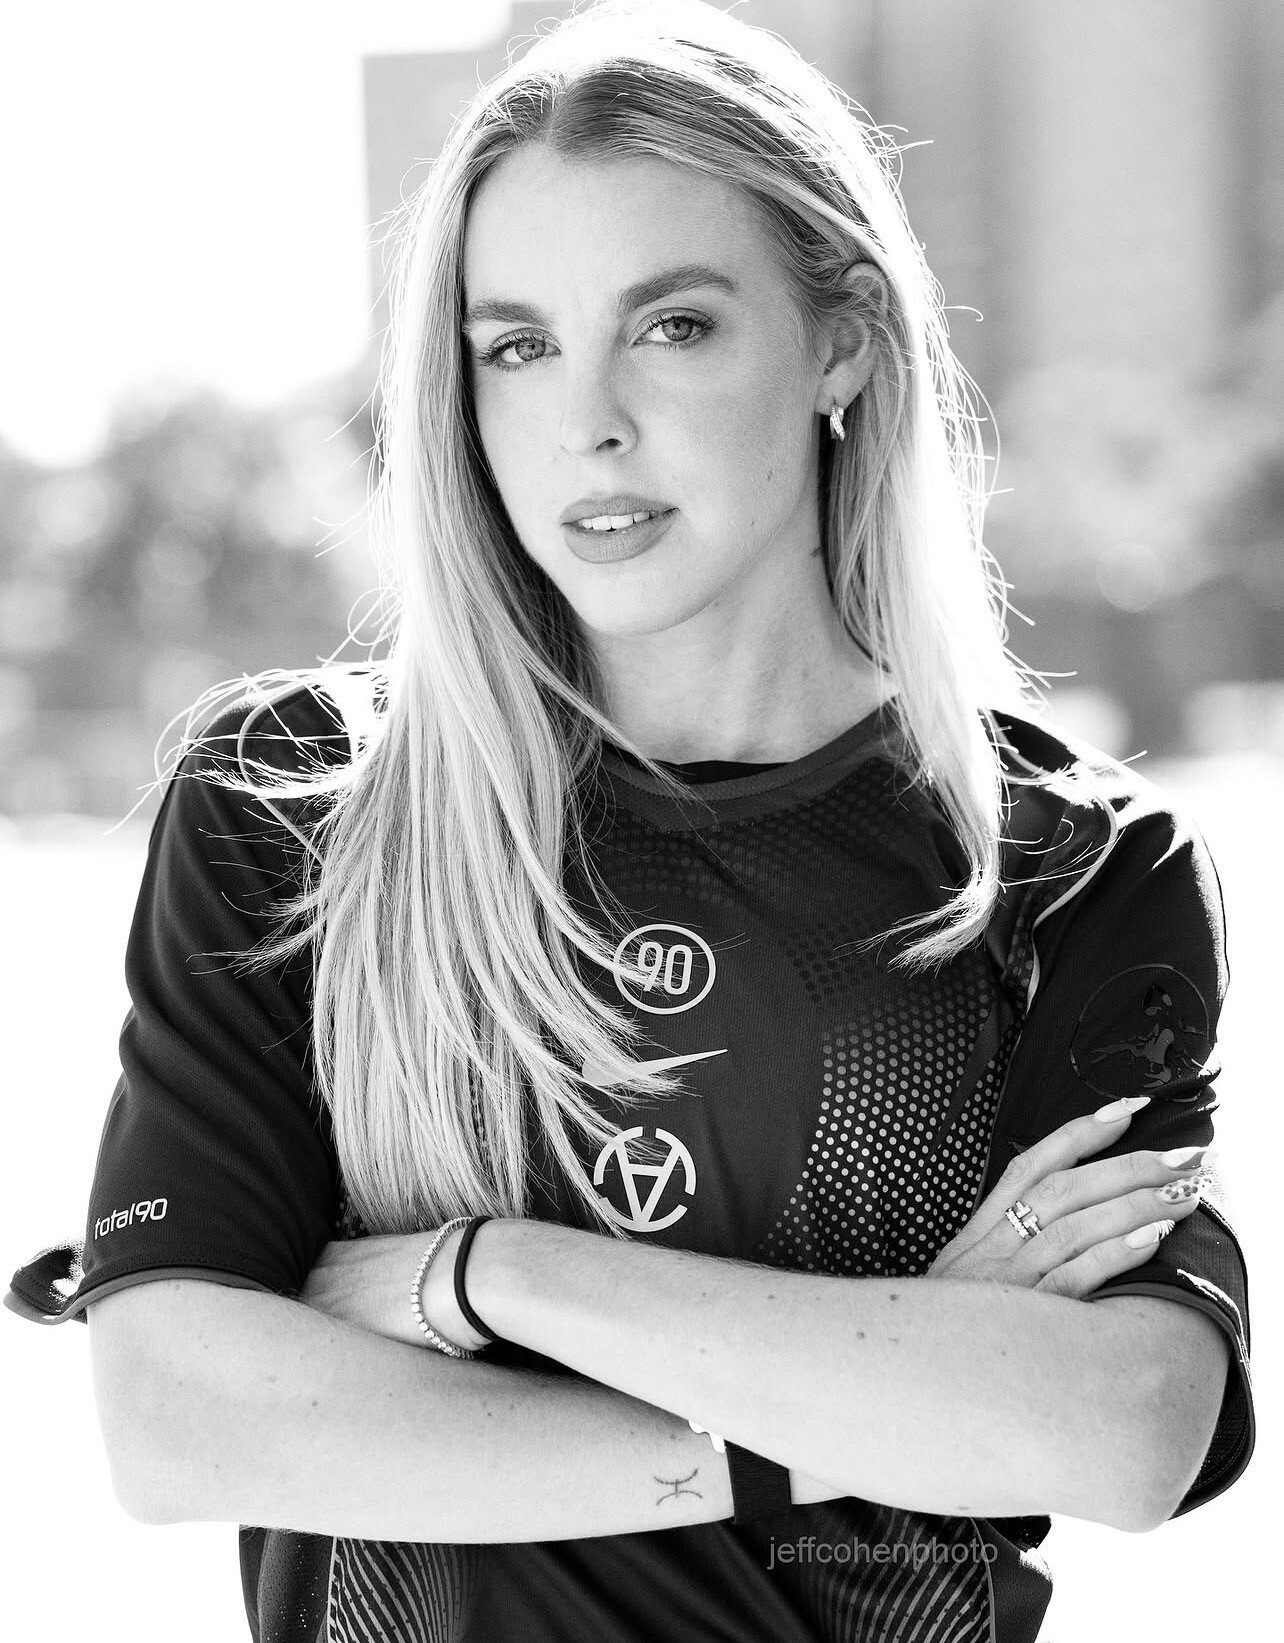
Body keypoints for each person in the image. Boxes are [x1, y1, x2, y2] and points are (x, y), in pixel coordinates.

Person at [6, 1, 1253, 1639]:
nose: (587, 421)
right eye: (516, 345)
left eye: (672, 325)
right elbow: (181, 1419)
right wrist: (864, 1407)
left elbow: (1121, 1428)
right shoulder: (296, 808)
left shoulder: (1060, 862)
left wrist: (488, 1275)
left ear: (840, 341)